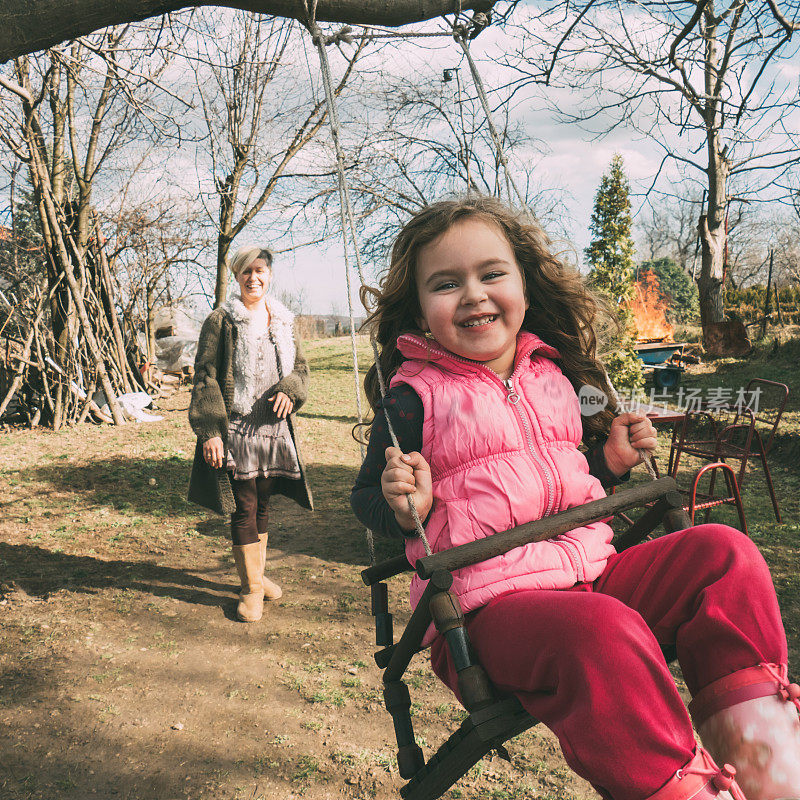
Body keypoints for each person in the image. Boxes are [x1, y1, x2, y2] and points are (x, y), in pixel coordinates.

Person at [350, 197, 800, 800]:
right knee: (601, 631)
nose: (474, 294)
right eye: (447, 283)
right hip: (490, 612)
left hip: (593, 575)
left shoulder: (556, 375)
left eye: (491, 273)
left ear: (526, 287)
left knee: (726, 555)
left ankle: (770, 769)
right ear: (420, 309)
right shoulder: (412, 398)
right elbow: (370, 501)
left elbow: (554, 482)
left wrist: (608, 464)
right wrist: (409, 509)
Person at [189, 246, 313, 623]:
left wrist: (291, 390)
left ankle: (256, 575)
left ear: (269, 274)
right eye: (246, 271)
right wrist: (210, 430)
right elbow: (205, 375)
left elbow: (302, 369)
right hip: (237, 428)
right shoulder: (221, 320)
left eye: (260, 271)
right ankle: (251, 589)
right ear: (237, 276)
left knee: (263, 505)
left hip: (273, 430)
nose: (253, 278)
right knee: (243, 507)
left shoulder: (284, 320)